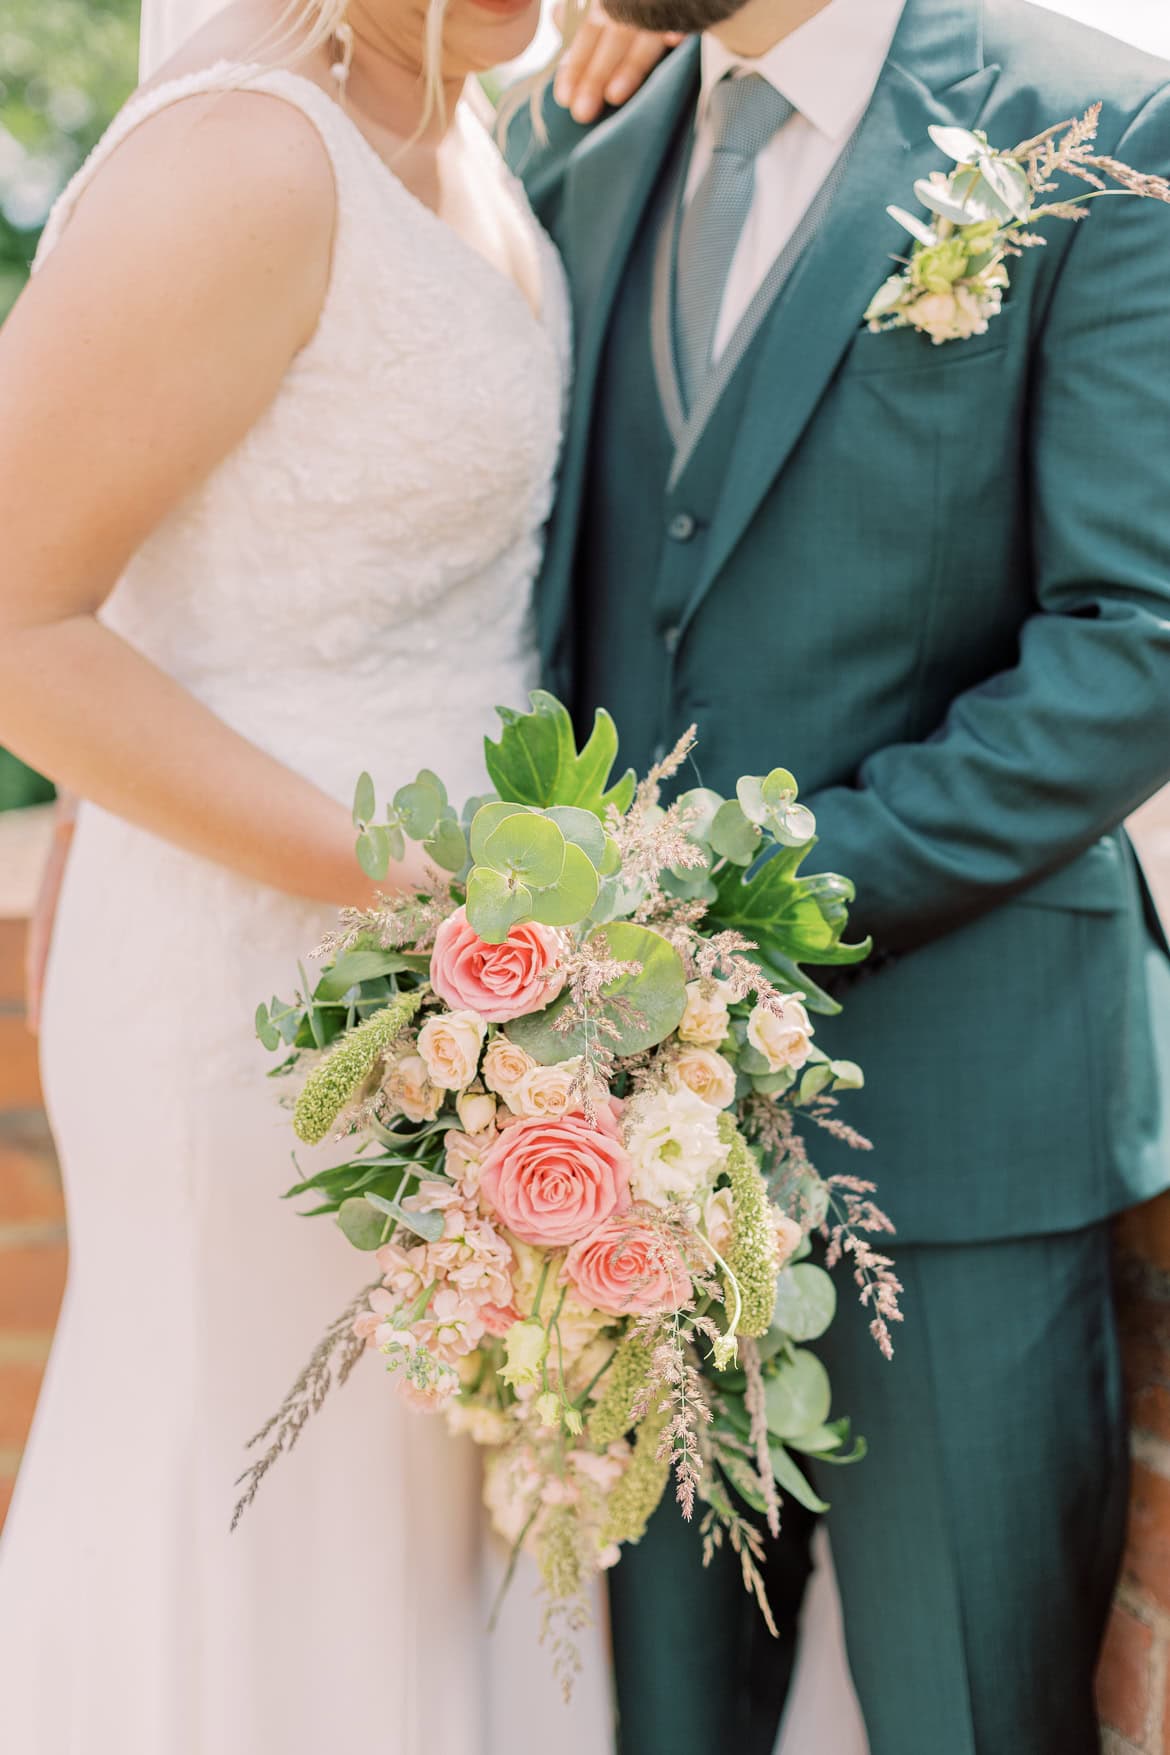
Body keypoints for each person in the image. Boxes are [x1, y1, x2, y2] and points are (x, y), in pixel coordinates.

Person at [505, 0, 1170, 1750]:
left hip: (963, 1122)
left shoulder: (1092, 125)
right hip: (631, 1149)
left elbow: (1133, 649)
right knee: (665, 1725)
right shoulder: (592, 154)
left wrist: (731, 901)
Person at [0, 0, 657, 1746]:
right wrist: (426, 896)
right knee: (257, 1478)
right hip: (265, 977)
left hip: (473, 980)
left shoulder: (465, 132)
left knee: (432, 1511)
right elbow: (15, 625)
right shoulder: (240, 157)